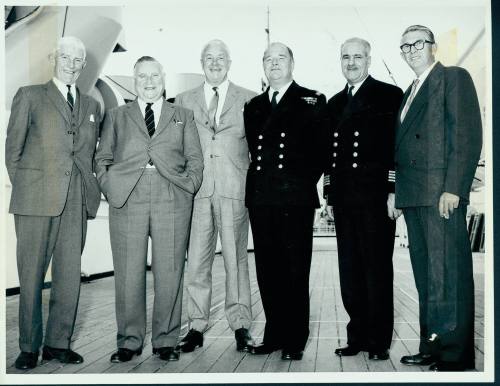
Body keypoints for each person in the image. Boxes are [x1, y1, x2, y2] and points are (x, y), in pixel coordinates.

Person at [95, 56, 203, 363]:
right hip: (128, 196)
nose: (149, 81)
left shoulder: (183, 114)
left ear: (163, 78)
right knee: (129, 272)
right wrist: (110, 186)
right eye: (142, 76)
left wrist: (189, 185)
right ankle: (129, 341)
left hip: (172, 196)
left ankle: (165, 340)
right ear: (134, 80)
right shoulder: (117, 115)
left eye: (154, 75)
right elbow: (101, 158)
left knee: (169, 270)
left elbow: (195, 158)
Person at [5, 36, 102, 369]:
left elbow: (88, 154)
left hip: (75, 200)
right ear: (54, 58)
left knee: (69, 274)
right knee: (30, 276)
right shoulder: (30, 95)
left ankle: (58, 344)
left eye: (78, 60)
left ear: (83, 65)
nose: (72, 65)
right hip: (35, 202)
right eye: (66, 58)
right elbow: (12, 153)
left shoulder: (92, 105)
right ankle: (29, 348)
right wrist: (30, 189)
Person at [396, 25, 482, 371]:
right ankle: (431, 345)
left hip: (440, 195)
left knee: (449, 273)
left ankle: (455, 354)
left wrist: (454, 187)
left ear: (433, 46)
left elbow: (466, 135)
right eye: (405, 46)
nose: (412, 50)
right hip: (415, 197)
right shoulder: (409, 92)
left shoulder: (454, 78)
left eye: (418, 43)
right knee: (426, 276)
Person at [244, 42, 329, 361]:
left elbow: (322, 151)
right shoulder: (253, 106)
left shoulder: (311, 100)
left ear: (292, 63)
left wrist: (296, 182)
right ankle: (274, 333)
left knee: (295, 268)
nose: (274, 63)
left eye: (281, 58)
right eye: (268, 59)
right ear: (263, 66)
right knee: (267, 269)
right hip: (261, 198)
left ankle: (295, 337)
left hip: (294, 198)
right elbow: (254, 150)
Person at [324, 37, 403, 360]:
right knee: (350, 271)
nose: (352, 62)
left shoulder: (388, 95)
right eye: (346, 57)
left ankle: (378, 341)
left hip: (375, 198)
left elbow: (396, 148)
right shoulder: (334, 102)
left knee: (377, 270)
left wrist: (393, 191)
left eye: (358, 56)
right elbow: (331, 156)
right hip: (344, 199)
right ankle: (356, 336)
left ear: (369, 59)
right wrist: (329, 195)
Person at [175, 40, 256, 353]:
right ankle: (196, 326)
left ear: (230, 61)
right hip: (197, 192)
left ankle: (240, 324)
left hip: (235, 190)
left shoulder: (250, 99)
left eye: (221, 57)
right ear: (201, 62)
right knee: (196, 262)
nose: (215, 62)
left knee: (236, 260)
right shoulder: (183, 100)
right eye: (209, 57)